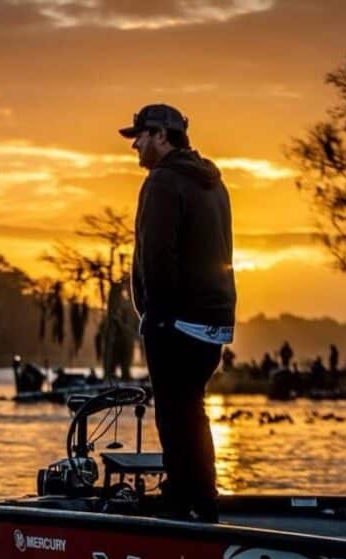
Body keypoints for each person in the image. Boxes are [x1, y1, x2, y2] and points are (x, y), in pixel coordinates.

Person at [121, 103, 235, 523]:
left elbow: (157, 254)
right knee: (192, 407)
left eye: (141, 135)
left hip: (177, 320)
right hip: (214, 320)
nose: (135, 144)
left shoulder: (163, 182)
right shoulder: (213, 183)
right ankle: (202, 499)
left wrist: (156, 314)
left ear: (162, 137)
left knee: (173, 411)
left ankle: (181, 502)